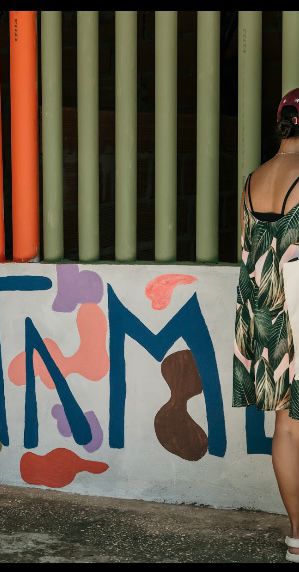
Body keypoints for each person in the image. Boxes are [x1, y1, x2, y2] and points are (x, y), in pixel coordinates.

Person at [234, 88, 299, 563]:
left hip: (265, 315)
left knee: (286, 428)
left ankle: (297, 535)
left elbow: (250, 253)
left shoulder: (252, 179)